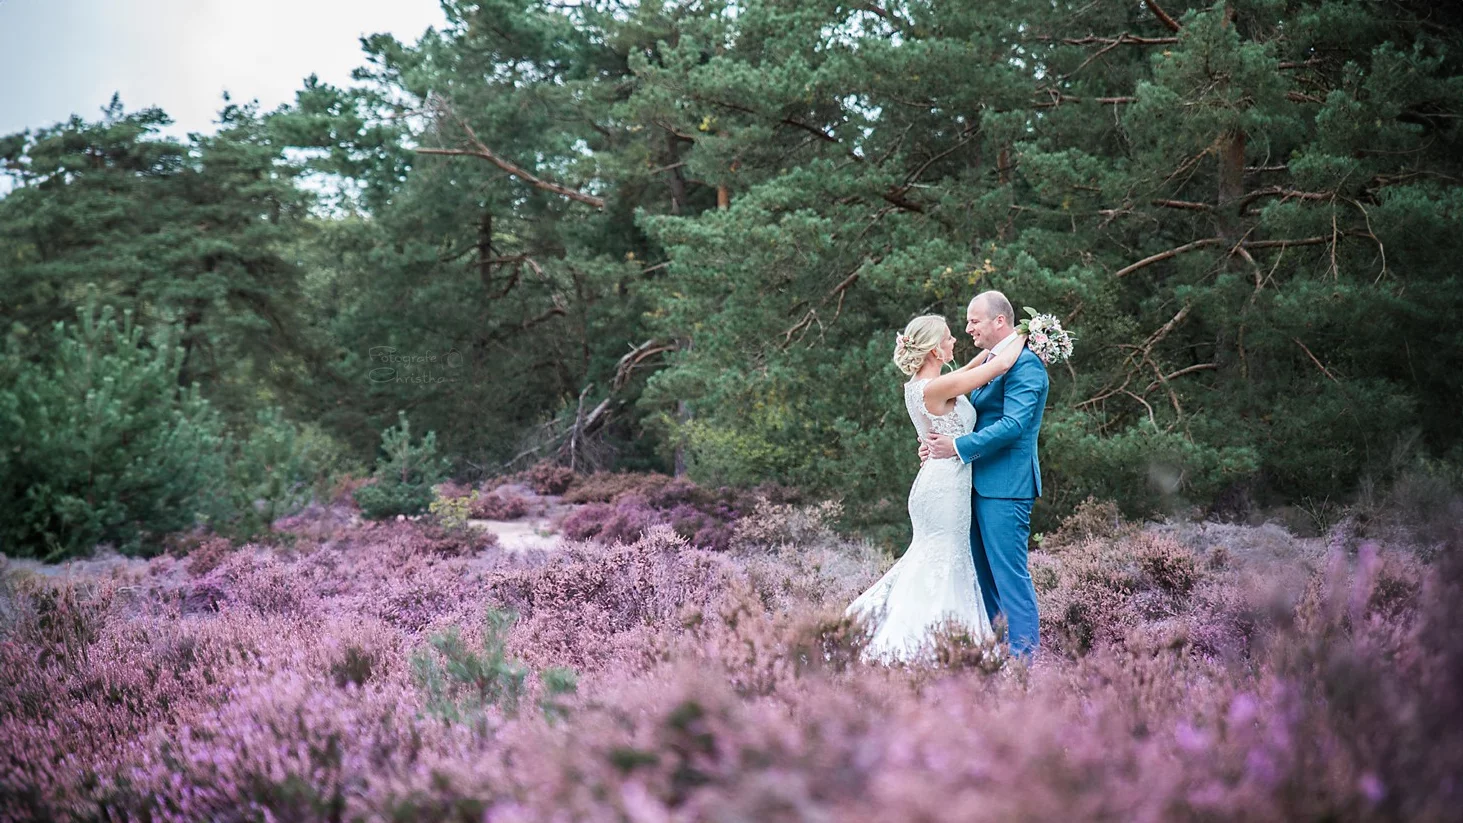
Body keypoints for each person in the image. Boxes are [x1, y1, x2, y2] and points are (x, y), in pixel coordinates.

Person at [846, 313, 1025, 662]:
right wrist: (1028, 331)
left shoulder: (924, 384)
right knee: (944, 561)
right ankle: (927, 648)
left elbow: (972, 367)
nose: (954, 341)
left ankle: (942, 643)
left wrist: (995, 347)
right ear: (934, 350)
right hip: (945, 487)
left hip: (939, 481)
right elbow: (1000, 365)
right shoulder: (935, 388)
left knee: (937, 559)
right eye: (948, 338)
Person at [920, 291, 1049, 659]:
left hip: (1006, 488)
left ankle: (1025, 665)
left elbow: (1013, 425)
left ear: (999, 321)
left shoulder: (1027, 365)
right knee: (984, 581)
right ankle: (999, 659)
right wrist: (937, 445)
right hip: (972, 485)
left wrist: (957, 447)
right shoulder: (993, 361)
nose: (968, 328)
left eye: (974, 321)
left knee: (1010, 579)